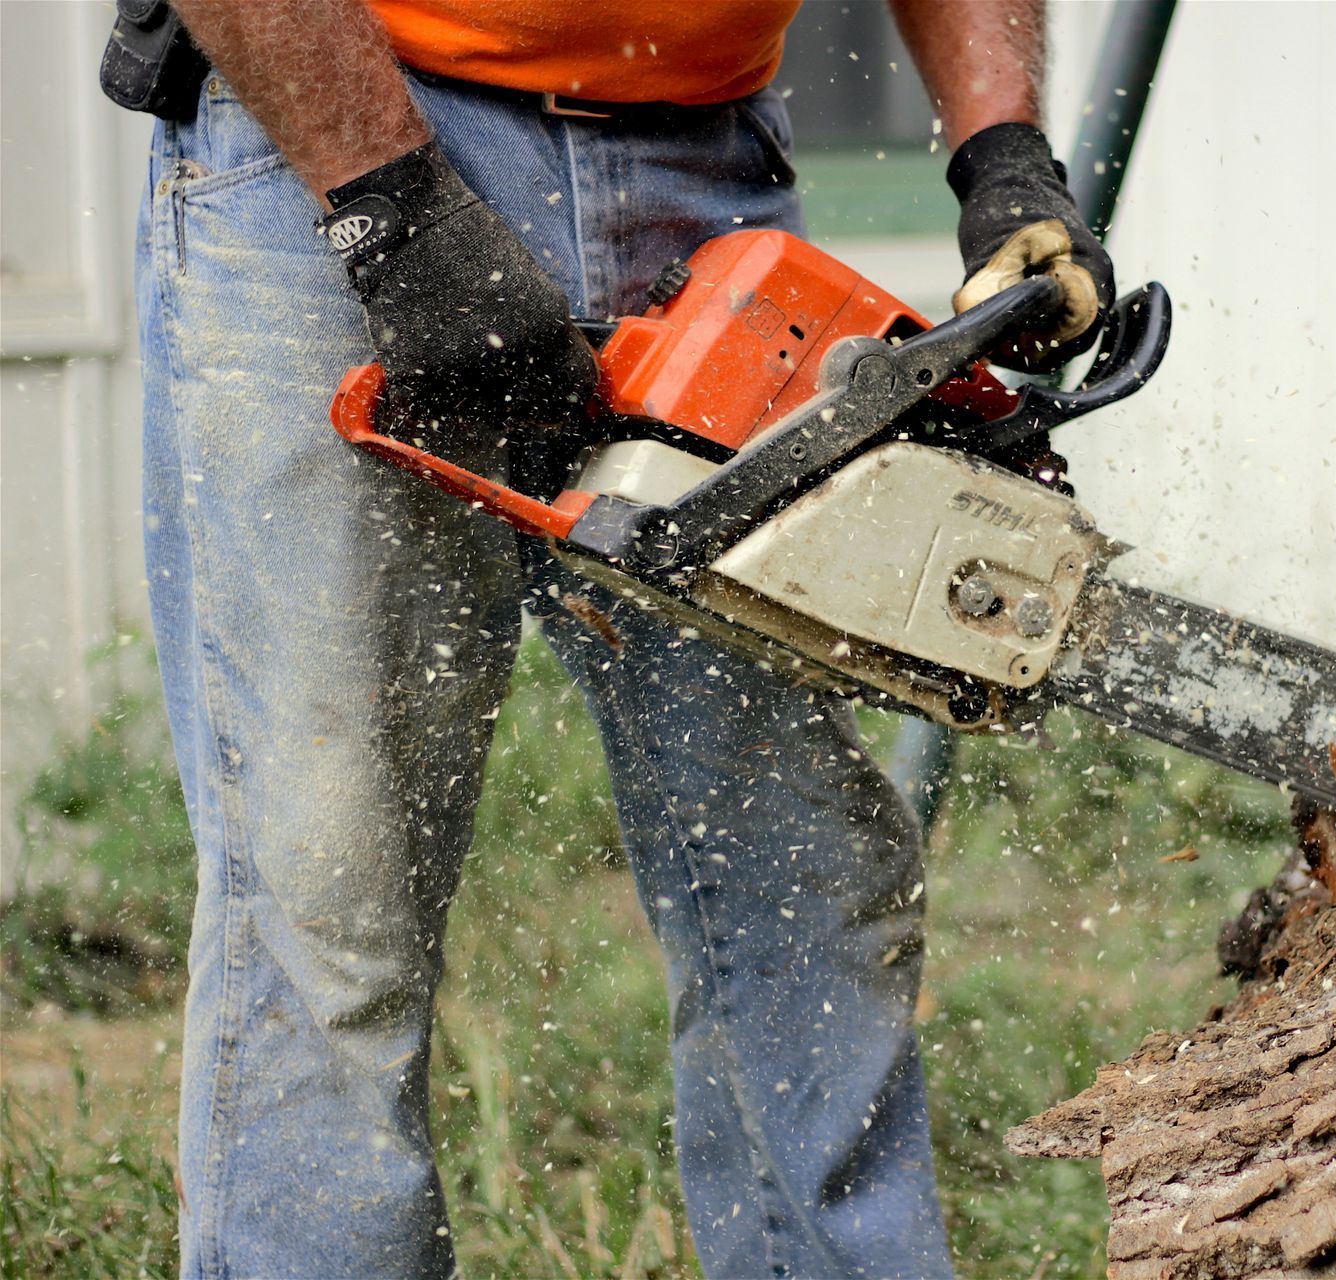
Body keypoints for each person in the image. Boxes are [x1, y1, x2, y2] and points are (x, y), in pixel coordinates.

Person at [135, 0, 1112, 1275]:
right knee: (328, 897)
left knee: (796, 875)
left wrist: (1004, 151)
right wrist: (388, 203)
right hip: (336, 131)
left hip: (707, 168)